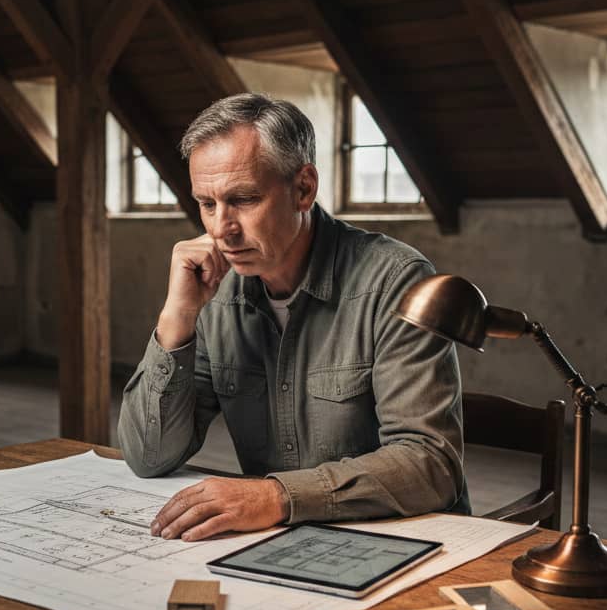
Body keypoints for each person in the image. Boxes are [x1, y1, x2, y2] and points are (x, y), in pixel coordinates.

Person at [118, 93, 469, 543]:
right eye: (207, 204)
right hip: (280, 542)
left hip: (403, 539)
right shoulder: (214, 289)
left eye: (243, 200)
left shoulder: (396, 281)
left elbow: (430, 465)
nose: (221, 229)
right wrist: (177, 316)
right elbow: (149, 457)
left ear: (303, 188)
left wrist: (276, 497)